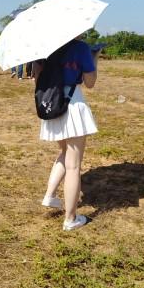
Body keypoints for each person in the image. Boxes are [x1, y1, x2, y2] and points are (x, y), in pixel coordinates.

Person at [33, 36, 101, 231]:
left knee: (64, 153)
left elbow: (38, 80)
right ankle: (71, 219)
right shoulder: (81, 48)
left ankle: (50, 195)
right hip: (72, 103)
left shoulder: (42, 46)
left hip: (53, 104)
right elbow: (90, 82)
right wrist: (94, 57)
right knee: (74, 165)